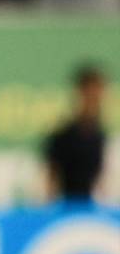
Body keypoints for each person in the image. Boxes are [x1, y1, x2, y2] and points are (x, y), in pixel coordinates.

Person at [44, 64, 108, 201]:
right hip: (66, 205)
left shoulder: (101, 136)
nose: (94, 98)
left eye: (98, 93)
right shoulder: (62, 135)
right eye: (90, 93)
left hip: (92, 206)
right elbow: (51, 178)